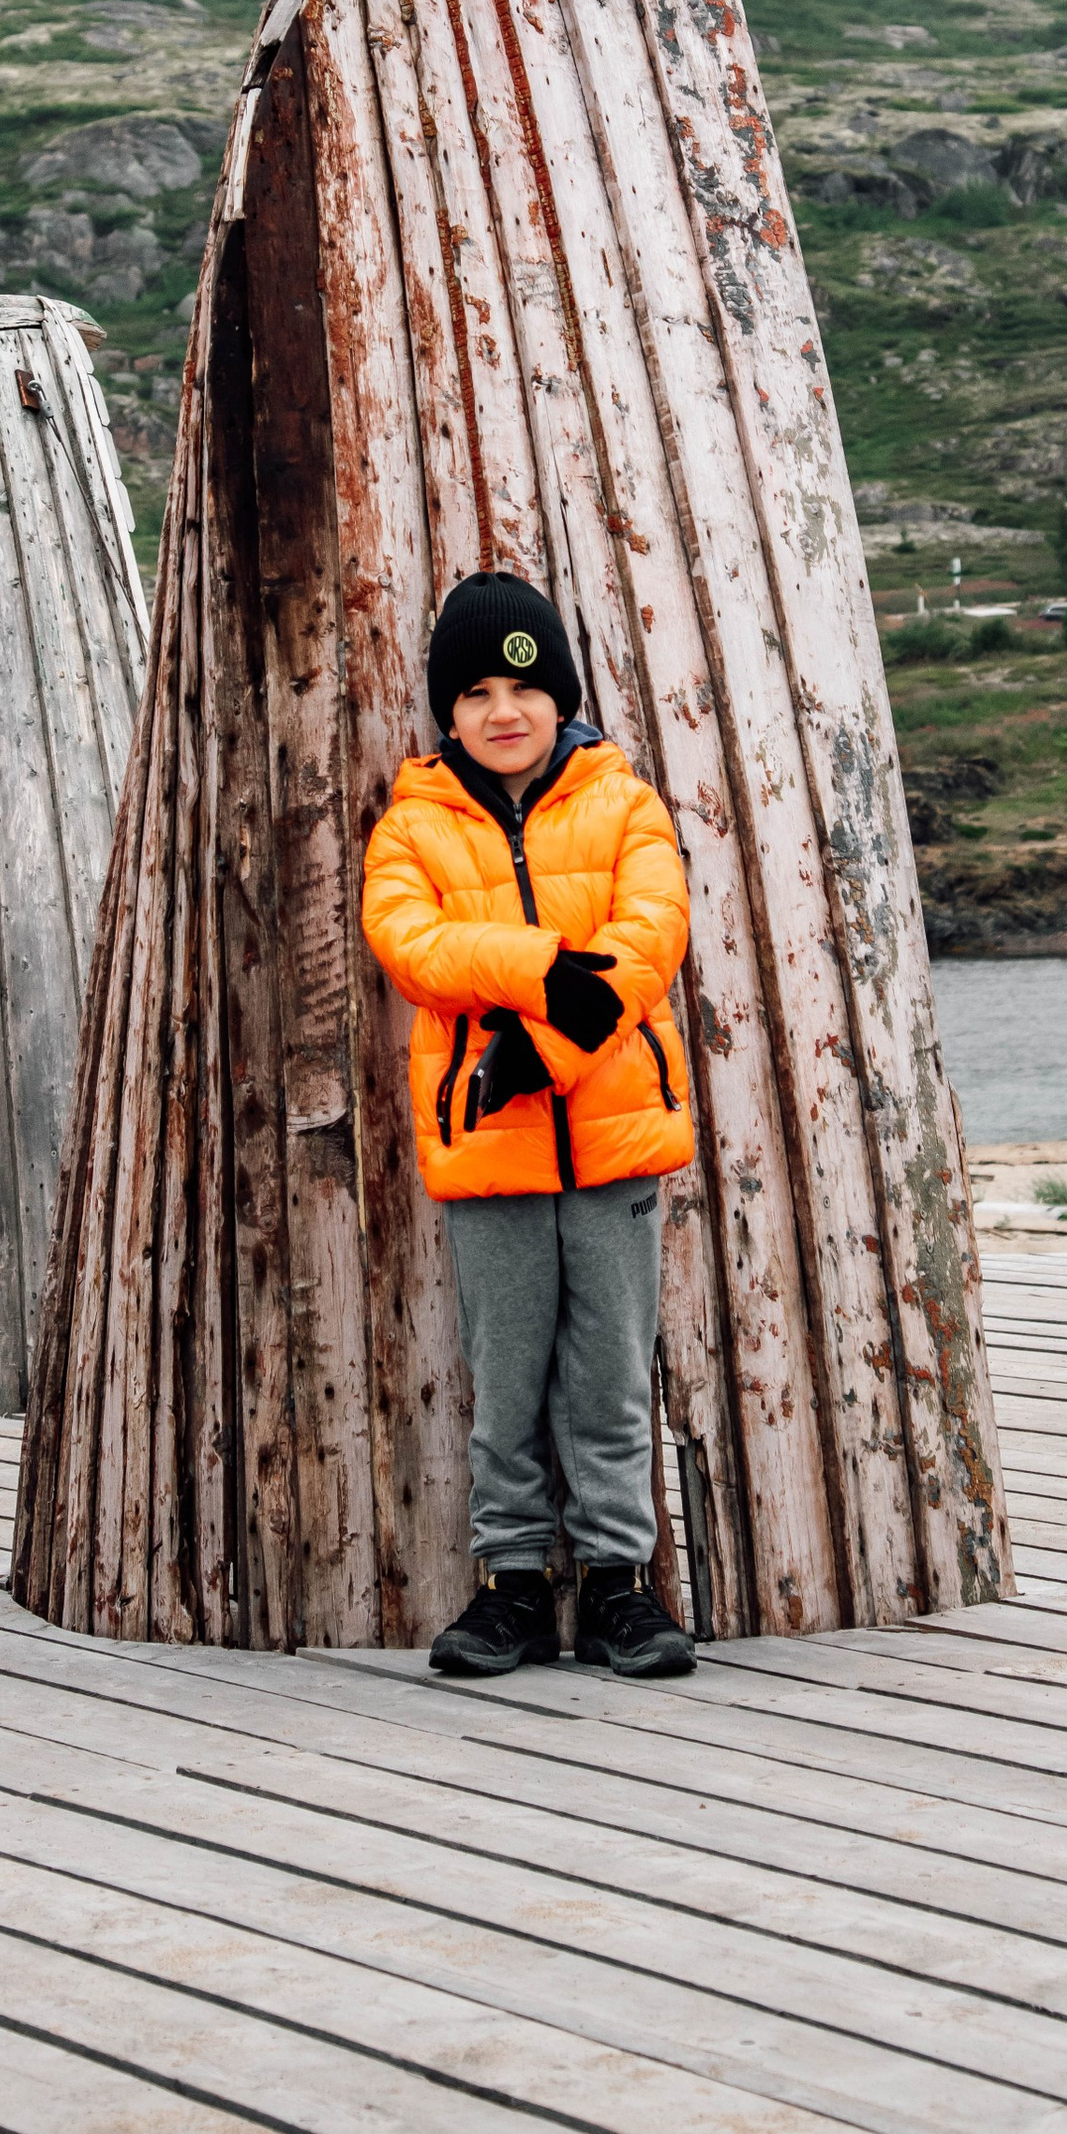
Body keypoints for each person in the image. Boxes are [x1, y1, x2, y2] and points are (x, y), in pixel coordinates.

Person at [360, 569, 699, 1681]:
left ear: (557, 695)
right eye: (473, 696)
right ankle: (509, 1585)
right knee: (505, 1380)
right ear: (446, 714)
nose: (502, 714)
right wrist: (551, 969)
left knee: (607, 1377)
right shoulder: (410, 825)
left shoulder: (625, 803)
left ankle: (619, 1586)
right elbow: (413, 948)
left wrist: (541, 1041)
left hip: (615, 1135)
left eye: (523, 689)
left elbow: (650, 935)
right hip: (487, 1146)